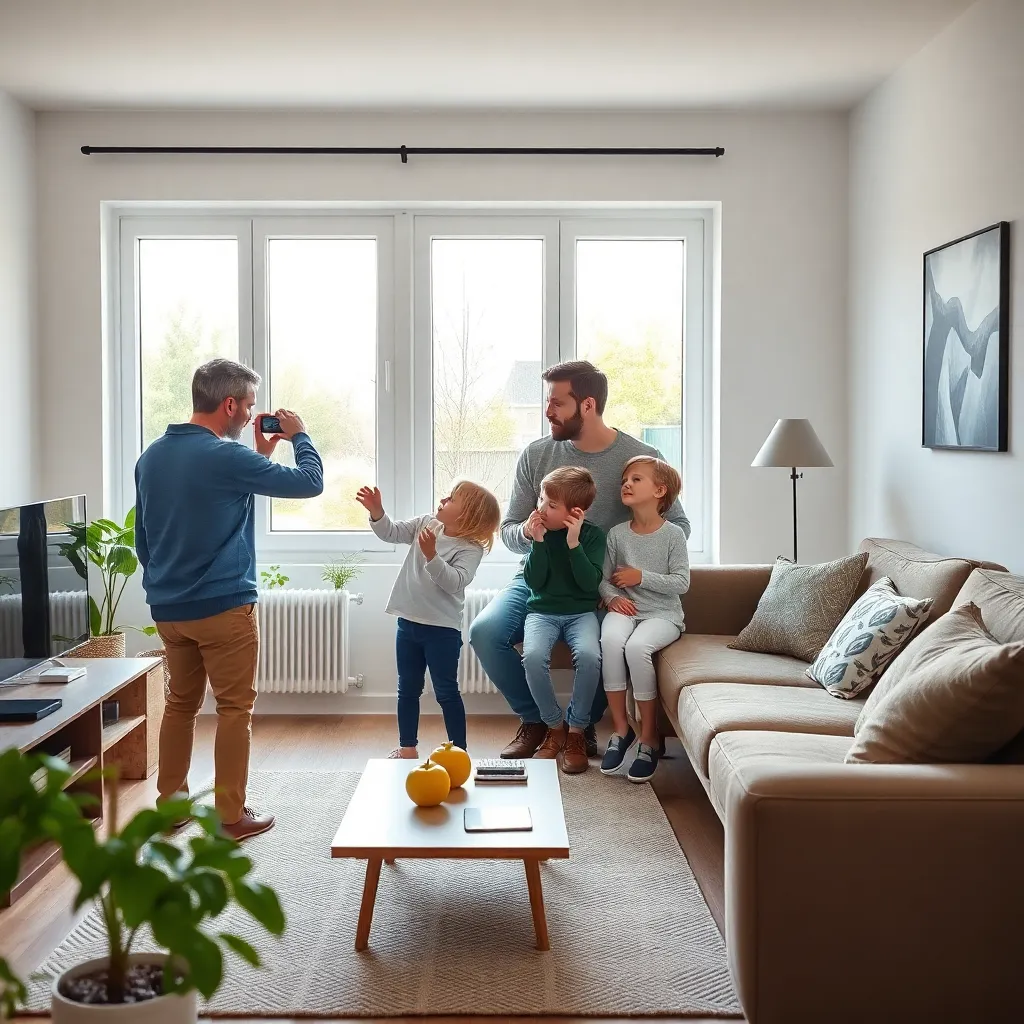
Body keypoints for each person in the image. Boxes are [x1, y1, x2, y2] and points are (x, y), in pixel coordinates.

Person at [135, 358, 324, 841]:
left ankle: (170, 808)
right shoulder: (225, 459)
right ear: (230, 404)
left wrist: (256, 450)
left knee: (180, 705)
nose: (250, 414)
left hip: (170, 610)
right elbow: (310, 483)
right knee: (234, 709)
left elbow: (143, 539)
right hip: (223, 608)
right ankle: (229, 818)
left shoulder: (152, 456)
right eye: (249, 407)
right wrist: (299, 436)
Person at [468, 360, 691, 759]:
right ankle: (539, 721)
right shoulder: (536, 454)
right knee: (484, 632)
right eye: (547, 402)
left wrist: (631, 566)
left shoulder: (641, 458)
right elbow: (509, 530)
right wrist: (528, 533)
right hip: (537, 576)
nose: (548, 411)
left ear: (587, 405)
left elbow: (678, 526)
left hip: (599, 581)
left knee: (608, 642)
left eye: (557, 403)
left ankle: (581, 726)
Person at [355, 480, 501, 760]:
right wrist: (377, 512)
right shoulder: (426, 523)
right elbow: (392, 533)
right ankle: (407, 747)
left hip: (442, 631)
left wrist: (432, 555)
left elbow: (455, 582)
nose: (444, 499)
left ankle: (459, 751)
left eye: (452, 498)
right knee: (407, 688)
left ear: (467, 514)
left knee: (446, 691)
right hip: (407, 623)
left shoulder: (471, 549)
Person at [599, 456, 690, 783]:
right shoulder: (617, 534)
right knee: (610, 641)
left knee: (636, 648)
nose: (626, 483)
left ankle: (649, 738)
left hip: (663, 615)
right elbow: (605, 578)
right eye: (625, 479)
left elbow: (682, 583)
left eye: (636, 479)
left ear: (659, 490)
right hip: (625, 609)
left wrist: (641, 576)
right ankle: (621, 731)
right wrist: (612, 597)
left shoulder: (673, 535)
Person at [521, 467, 605, 774]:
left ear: (575, 512)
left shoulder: (594, 536)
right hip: (541, 611)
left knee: (589, 656)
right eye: (542, 499)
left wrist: (573, 543)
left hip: (580, 614)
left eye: (551, 505)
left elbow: (589, 584)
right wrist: (538, 542)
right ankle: (555, 726)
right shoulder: (539, 532)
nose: (541, 508)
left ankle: (576, 731)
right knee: (531, 657)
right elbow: (534, 581)